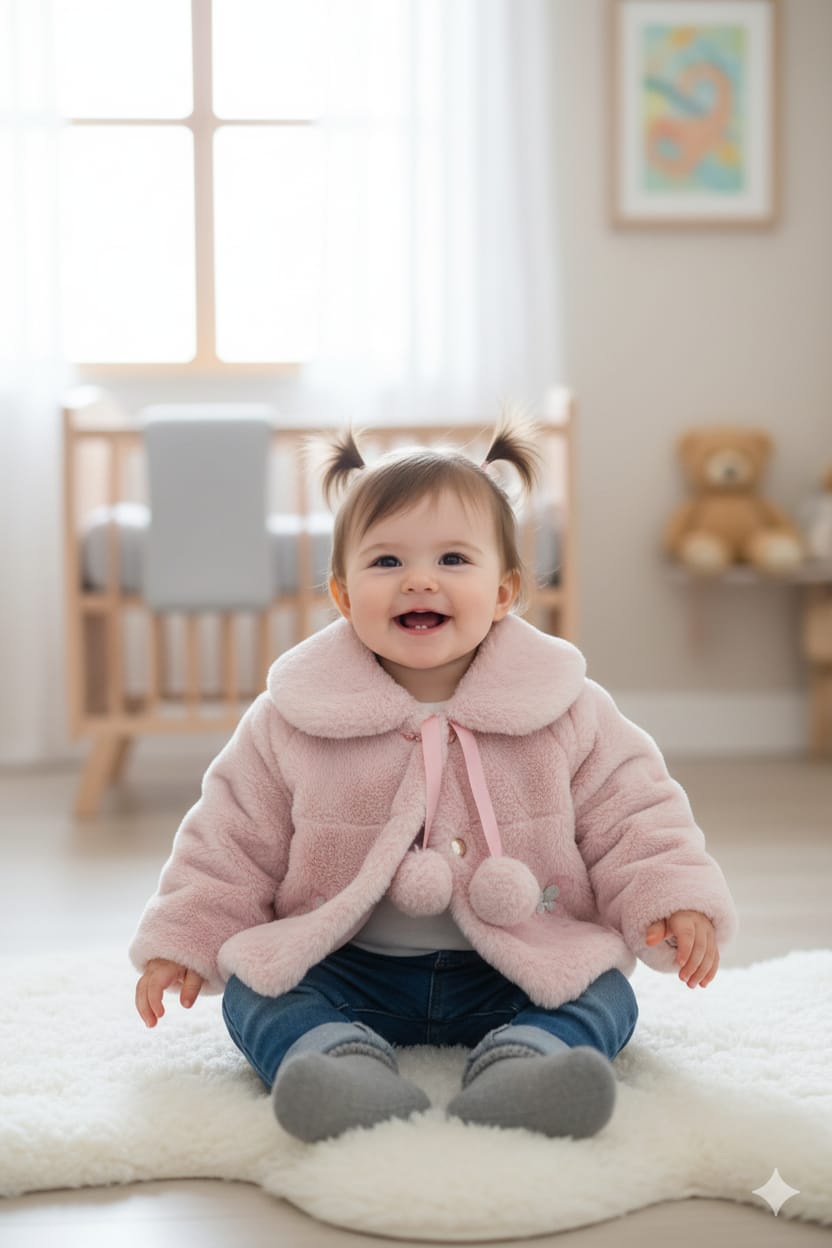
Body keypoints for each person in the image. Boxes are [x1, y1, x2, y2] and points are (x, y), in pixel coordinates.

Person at [132, 415, 738, 1144]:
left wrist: (673, 899)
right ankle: (334, 1062)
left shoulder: (566, 707)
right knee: (256, 992)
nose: (420, 579)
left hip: (516, 962)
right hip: (345, 967)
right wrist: (185, 937)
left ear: (506, 589)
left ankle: (531, 1065)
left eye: (454, 558)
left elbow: (636, 813)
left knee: (604, 989)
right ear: (344, 595)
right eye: (386, 562)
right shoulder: (291, 717)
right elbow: (228, 834)